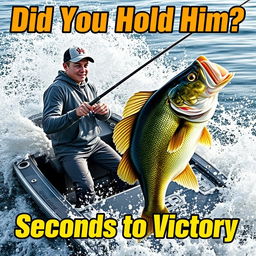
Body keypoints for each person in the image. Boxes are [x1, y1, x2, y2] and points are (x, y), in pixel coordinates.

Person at [42, 47, 122, 208]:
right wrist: (75, 113)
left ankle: (121, 205)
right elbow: (48, 125)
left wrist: (104, 113)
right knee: (86, 188)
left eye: (85, 65)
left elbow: (102, 117)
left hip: (95, 143)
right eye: (78, 65)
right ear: (66, 66)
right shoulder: (56, 90)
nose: (83, 70)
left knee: (125, 172)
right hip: (70, 149)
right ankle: (84, 222)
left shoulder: (89, 86)